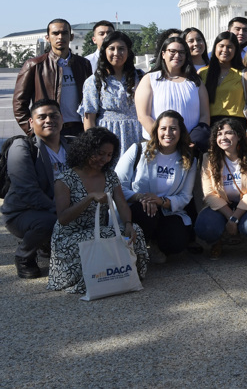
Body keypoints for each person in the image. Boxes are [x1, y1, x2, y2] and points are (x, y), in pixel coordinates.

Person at [47, 127, 149, 293]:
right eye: (100, 153)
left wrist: (128, 224)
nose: (104, 159)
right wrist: (89, 198)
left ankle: (130, 274)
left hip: (98, 232)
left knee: (134, 231)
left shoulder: (110, 175)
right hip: (69, 239)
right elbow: (63, 218)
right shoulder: (65, 179)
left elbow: (122, 204)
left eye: (109, 155)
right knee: (101, 235)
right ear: (86, 149)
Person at [115, 111, 198, 264]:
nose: (168, 133)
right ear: (156, 130)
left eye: (173, 128)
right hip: (138, 206)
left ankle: (156, 245)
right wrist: (141, 197)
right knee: (145, 211)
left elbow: (185, 197)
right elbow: (117, 185)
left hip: (166, 208)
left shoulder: (189, 159)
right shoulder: (138, 150)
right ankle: (136, 248)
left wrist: (161, 201)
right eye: (163, 128)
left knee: (176, 242)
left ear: (181, 132)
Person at [1, 100, 72, 278]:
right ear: (31, 122)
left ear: (62, 119)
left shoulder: (72, 146)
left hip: (61, 207)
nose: (49, 120)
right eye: (42, 117)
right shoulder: (22, 148)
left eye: (54, 115)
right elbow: (27, 191)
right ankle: (24, 256)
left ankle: (47, 244)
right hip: (24, 212)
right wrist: (62, 213)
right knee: (49, 223)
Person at [195, 119, 247, 259]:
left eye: (229, 133)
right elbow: (209, 193)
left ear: (239, 136)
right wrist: (232, 217)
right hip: (222, 204)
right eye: (219, 134)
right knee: (204, 227)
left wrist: (235, 218)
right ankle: (216, 242)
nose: (223, 137)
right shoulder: (208, 158)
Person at [13, 18, 92, 136]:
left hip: (80, 129)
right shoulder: (34, 65)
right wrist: (33, 131)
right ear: (47, 38)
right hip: (50, 130)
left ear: (71, 37)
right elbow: (19, 103)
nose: (60, 37)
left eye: (64, 33)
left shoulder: (83, 64)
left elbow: (92, 99)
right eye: (55, 33)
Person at [134, 37, 210, 146]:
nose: (177, 55)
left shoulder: (196, 82)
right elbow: (143, 115)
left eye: (181, 52)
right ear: (163, 54)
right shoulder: (149, 79)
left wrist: (193, 139)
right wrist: (163, 140)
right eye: (172, 51)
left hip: (190, 146)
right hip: (158, 145)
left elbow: (205, 115)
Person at [80, 31, 144, 153]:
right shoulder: (94, 81)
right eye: (112, 49)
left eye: (121, 49)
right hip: (107, 139)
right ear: (104, 51)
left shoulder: (140, 77)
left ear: (128, 51)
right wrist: (93, 146)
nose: (116, 53)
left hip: (137, 135)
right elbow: (89, 119)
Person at [199, 32, 247, 145]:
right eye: (221, 46)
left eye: (230, 47)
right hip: (210, 125)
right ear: (215, 48)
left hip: (236, 125)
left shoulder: (244, 74)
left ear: (236, 50)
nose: (225, 50)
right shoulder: (203, 73)